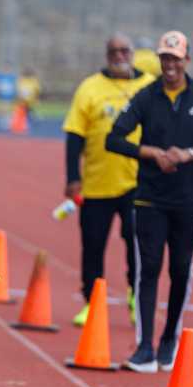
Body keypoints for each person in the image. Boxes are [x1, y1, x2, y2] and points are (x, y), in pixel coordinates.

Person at [106, 30, 193, 373]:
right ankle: (144, 347)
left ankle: (169, 341)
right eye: (165, 58)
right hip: (150, 197)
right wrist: (152, 153)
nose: (170, 64)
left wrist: (186, 154)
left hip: (189, 200)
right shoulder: (146, 96)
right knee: (148, 268)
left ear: (186, 60)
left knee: (180, 269)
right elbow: (114, 138)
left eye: (175, 58)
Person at [63, 33, 154, 327]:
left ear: (133, 53)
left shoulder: (148, 87)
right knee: (93, 245)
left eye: (124, 50)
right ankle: (92, 302)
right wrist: (73, 177)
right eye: (113, 51)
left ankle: (134, 298)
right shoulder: (89, 88)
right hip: (97, 183)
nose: (119, 55)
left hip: (138, 183)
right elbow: (75, 135)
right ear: (107, 55)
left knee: (137, 244)